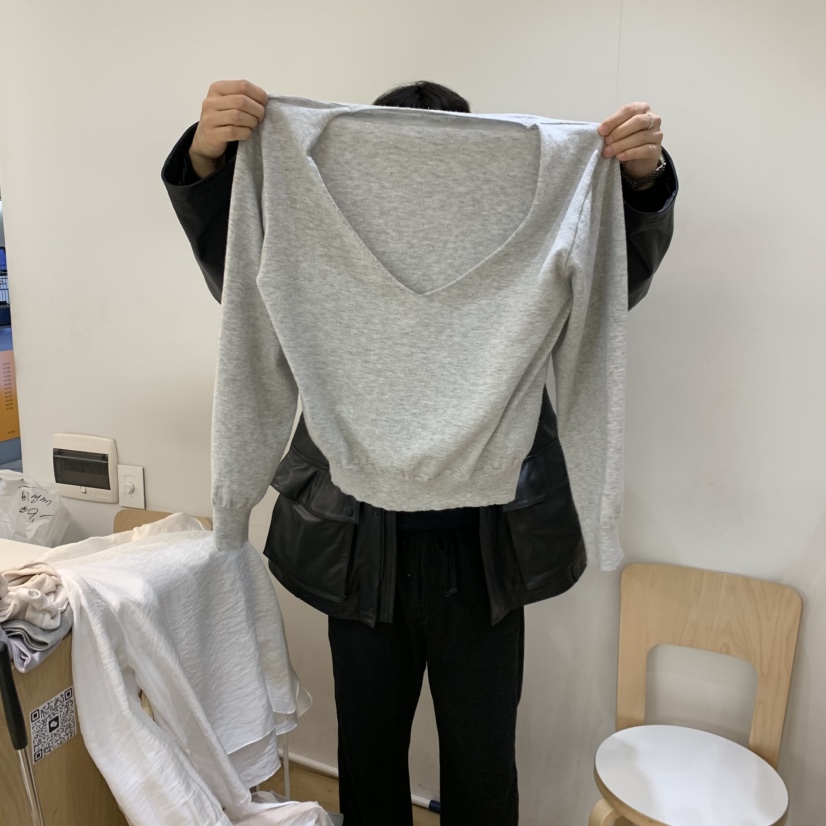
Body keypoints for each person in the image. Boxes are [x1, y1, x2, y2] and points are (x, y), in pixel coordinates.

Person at [162, 79, 678, 826]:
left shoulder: (536, 200)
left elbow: (608, 288)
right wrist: (208, 163)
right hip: (357, 538)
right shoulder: (309, 202)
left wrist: (639, 186)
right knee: (369, 756)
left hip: (488, 542)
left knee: (483, 760)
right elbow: (245, 279)